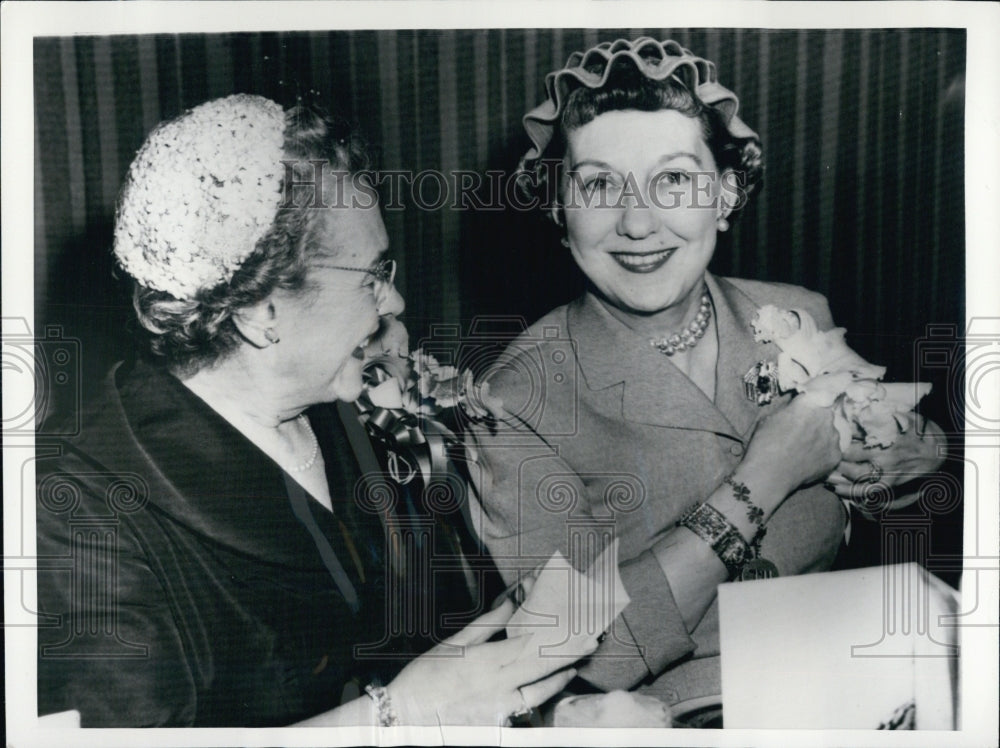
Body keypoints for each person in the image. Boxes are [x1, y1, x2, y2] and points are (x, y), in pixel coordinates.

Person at [35, 94, 584, 728]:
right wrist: (395, 717)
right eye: (372, 276)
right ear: (259, 309)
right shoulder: (74, 503)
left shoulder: (336, 409)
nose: (396, 301)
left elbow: (447, 651)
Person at [467, 38, 946, 708]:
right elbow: (572, 655)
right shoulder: (516, 401)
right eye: (599, 184)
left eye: (673, 180)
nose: (638, 222)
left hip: (849, 668)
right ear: (557, 208)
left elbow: (884, 497)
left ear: (723, 195)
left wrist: (914, 459)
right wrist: (766, 475)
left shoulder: (796, 312)